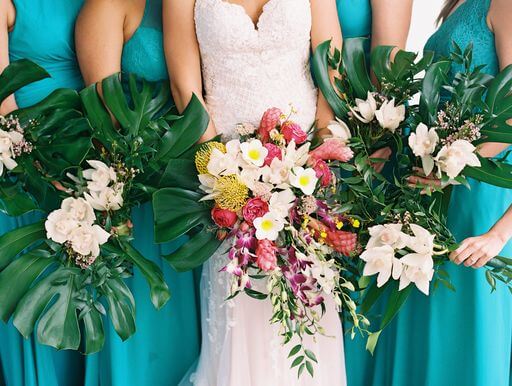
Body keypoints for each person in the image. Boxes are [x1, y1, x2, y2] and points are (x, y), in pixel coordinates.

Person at [165, 0, 344, 384]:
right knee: (241, 306)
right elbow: (186, 88)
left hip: (306, 178)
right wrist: (226, 179)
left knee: (306, 305)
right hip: (228, 179)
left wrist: (316, 163)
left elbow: (332, 70)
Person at [366, 1, 512, 385]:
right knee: (428, 326)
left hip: (477, 189)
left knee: (466, 330)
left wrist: (453, 167)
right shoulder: (460, 3)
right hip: (437, 186)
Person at [75, 1, 201, 385]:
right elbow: (103, 121)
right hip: (141, 201)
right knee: (149, 336)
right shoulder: (109, 6)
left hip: (195, 194)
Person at [0, 1, 85, 385]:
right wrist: (41, 167)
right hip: (29, 168)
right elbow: (1, 99)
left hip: (90, 161)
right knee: (39, 296)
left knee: (87, 297)